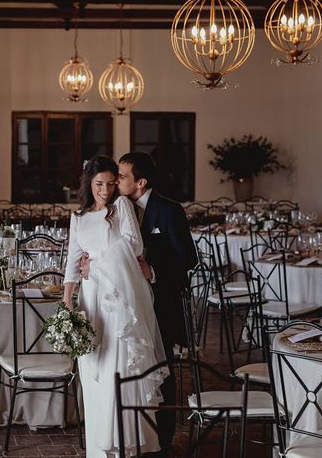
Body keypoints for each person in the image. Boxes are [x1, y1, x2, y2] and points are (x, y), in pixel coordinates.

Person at [62, 155, 168, 458]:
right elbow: (72, 259)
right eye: (99, 184)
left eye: (111, 183)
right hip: (91, 298)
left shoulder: (120, 207)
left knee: (116, 365)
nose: (105, 190)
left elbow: (134, 246)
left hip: (119, 297)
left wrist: (95, 264)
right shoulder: (78, 217)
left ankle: (123, 439)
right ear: (88, 184)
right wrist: (68, 299)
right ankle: (99, 442)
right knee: (94, 364)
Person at [117, 151, 198, 457]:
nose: (117, 181)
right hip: (129, 306)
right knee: (133, 365)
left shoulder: (168, 210)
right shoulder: (117, 208)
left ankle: (161, 440)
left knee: (161, 372)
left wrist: (154, 272)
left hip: (162, 302)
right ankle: (134, 432)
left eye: (123, 176)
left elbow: (189, 258)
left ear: (140, 182)